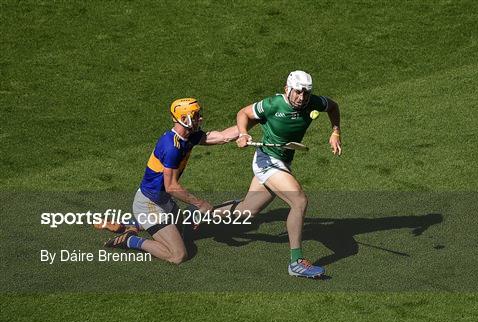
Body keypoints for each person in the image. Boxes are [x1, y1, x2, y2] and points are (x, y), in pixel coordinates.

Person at [221, 70, 342, 278]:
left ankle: (198, 214)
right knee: (299, 201)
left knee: (245, 213)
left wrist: (335, 132)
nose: (301, 98)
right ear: (287, 89)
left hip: (282, 162)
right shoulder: (273, 104)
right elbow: (244, 113)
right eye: (297, 92)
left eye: (305, 93)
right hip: (267, 161)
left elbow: (333, 107)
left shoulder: (313, 102)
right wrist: (243, 133)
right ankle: (296, 262)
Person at [104, 98, 238, 264]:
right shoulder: (171, 147)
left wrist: (254, 123)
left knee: (187, 232)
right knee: (178, 255)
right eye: (195, 115)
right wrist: (200, 203)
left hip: (163, 202)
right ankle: (130, 240)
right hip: (149, 204)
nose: (200, 118)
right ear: (183, 119)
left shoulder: (189, 136)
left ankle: (134, 224)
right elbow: (171, 187)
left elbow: (223, 136)